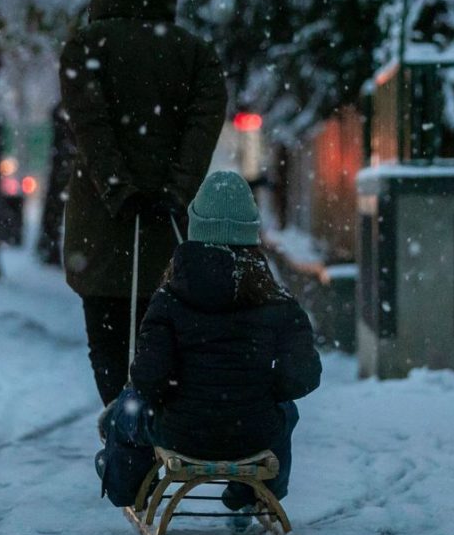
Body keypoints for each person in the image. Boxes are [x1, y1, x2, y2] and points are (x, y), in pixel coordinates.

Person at [60, 0, 227, 406]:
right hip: (169, 230)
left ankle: (121, 435)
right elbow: (202, 128)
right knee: (166, 341)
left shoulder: (85, 47)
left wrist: (118, 189)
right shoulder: (196, 55)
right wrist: (176, 190)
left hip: (100, 228)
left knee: (108, 343)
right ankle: (158, 438)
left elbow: (90, 126)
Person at [97, 171, 323, 511]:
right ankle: (258, 491)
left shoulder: (169, 300)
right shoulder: (277, 302)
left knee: (127, 407)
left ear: (196, 229)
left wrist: (177, 392)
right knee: (285, 412)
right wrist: (260, 390)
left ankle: (125, 487)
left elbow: (147, 380)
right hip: (254, 433)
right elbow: (303, 375)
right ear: (251, 234)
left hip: (180, 432)